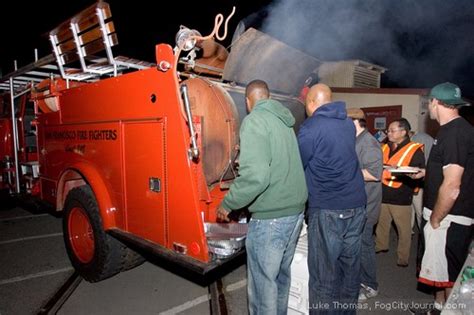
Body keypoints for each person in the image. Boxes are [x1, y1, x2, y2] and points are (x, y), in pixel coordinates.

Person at [217, 79, 308, 314]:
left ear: (249, 102)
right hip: (294, 212)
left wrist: (228, 203)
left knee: (262, 285)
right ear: (267, 97)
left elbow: (257, 176)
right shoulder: (284, 121)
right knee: (280, 277)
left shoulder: (254, 121)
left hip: (272, 218)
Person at [298, 84, 366, 314]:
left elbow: (300, 162)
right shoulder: (347, 124)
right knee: (349, 271)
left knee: (323, 276)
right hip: (356, 205)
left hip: (328, 207)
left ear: (311, 103)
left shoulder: (311, 127)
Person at [415, 82, 474, 312]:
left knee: (449, 275)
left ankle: (449, 310)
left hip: (449, 218)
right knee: (439, 273)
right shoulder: (455, 130)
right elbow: (451, 171)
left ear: (435, 102)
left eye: (429, 102)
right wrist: (426, 173)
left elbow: (452, 185)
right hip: (447, 216)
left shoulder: (454, 132)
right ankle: (438, 308)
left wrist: (436, 219)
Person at [375, 118, 425, 267]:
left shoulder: (414, 148)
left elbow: (418, 170)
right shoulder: (384, 146)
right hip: (383, 192)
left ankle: (403, 258)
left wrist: (401, 170)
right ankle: (381, 245)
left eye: (392, 130)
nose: (388, 133)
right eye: (388, 131)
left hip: (401, 195)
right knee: (382, 224)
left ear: (403, 132)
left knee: (404, 230)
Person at [347, 108, 383, 301]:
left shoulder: (368, 143)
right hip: (357, 203)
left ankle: (370, 285)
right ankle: (358, 281)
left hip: (367, 206)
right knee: (357, 245)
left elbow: (373, 173)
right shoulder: (356, 140)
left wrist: (345, 170)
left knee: (364, 245)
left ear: (355, 122)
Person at [410, 130, 434, 232]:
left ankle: (424, 237)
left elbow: (429, 160)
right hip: (410, 182)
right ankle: (409, 232)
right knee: (410, 210)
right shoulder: (421, 138)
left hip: (419, 182)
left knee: (420, 211)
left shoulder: (422, 139)